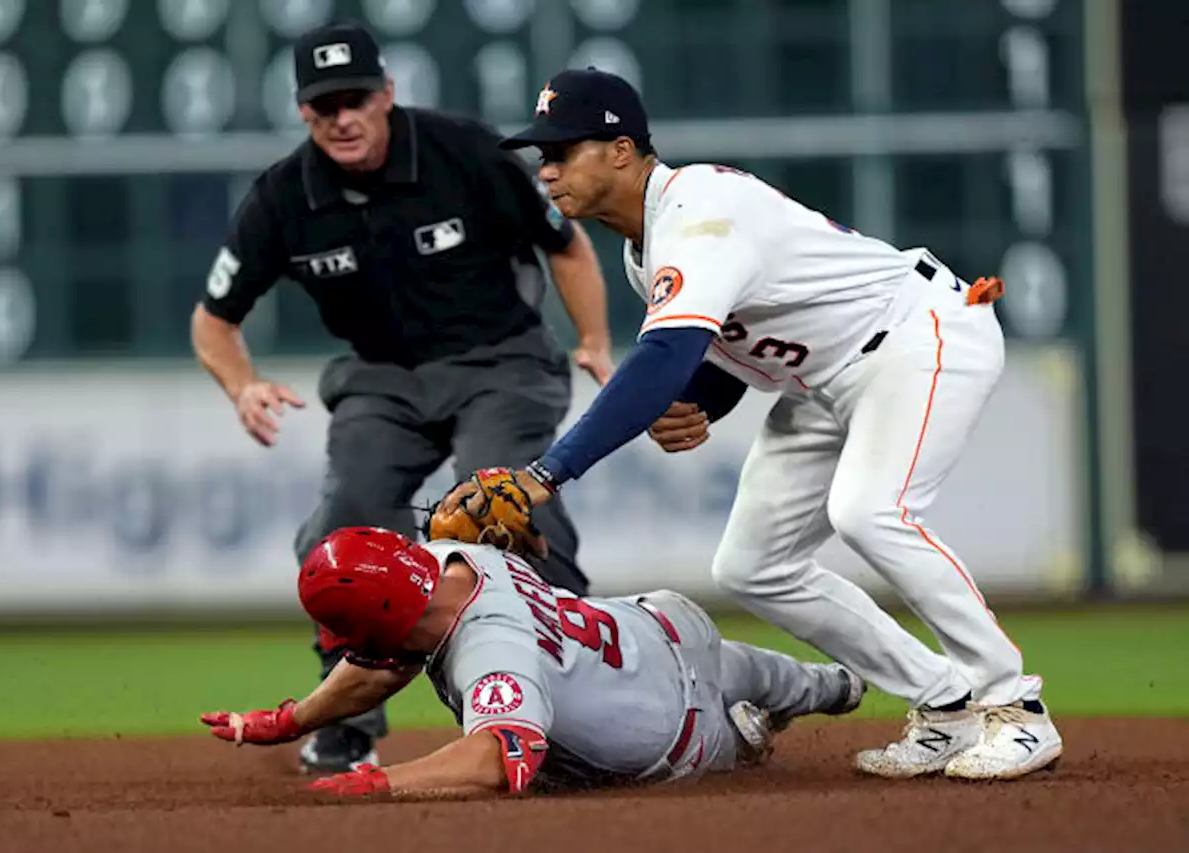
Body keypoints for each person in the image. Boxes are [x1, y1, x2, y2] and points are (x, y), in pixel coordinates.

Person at [441, 67, 1064, 781]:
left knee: (869, 512)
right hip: (828, 379)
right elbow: (724, 352)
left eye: (562, 150)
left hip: (918, 337)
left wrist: (547, 471)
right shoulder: (645, 250)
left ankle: (1014, 706)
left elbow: (664, 353)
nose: (546, 170)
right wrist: (700, 402)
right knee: (752, 566)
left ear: (620, 149)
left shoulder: (700, 212)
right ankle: (945, 703)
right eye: (542, 156)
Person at [190, 22, 615, 775]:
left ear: (388, 95)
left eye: (355, 98)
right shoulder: (284, 196)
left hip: (502, 362)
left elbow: (567, 246)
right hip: (381, 377)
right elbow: (213, 321)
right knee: (341, 529)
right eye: (325, 107)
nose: (343, 118)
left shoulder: (466, 153)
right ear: (303, 114)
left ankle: (581, 680)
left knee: (501, 501)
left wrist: (593, 339)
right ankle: (346, 721)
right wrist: (241, 383)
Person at [199, 526, 865, 797]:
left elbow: (500, 757)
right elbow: (383, 663)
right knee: (800, 680)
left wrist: (384, 782)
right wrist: (290, 719)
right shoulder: (446, 553)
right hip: (661, 623)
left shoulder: (491, 651)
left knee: (740, 737)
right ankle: (847, 682)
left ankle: (750, 732)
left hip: (680, 734)